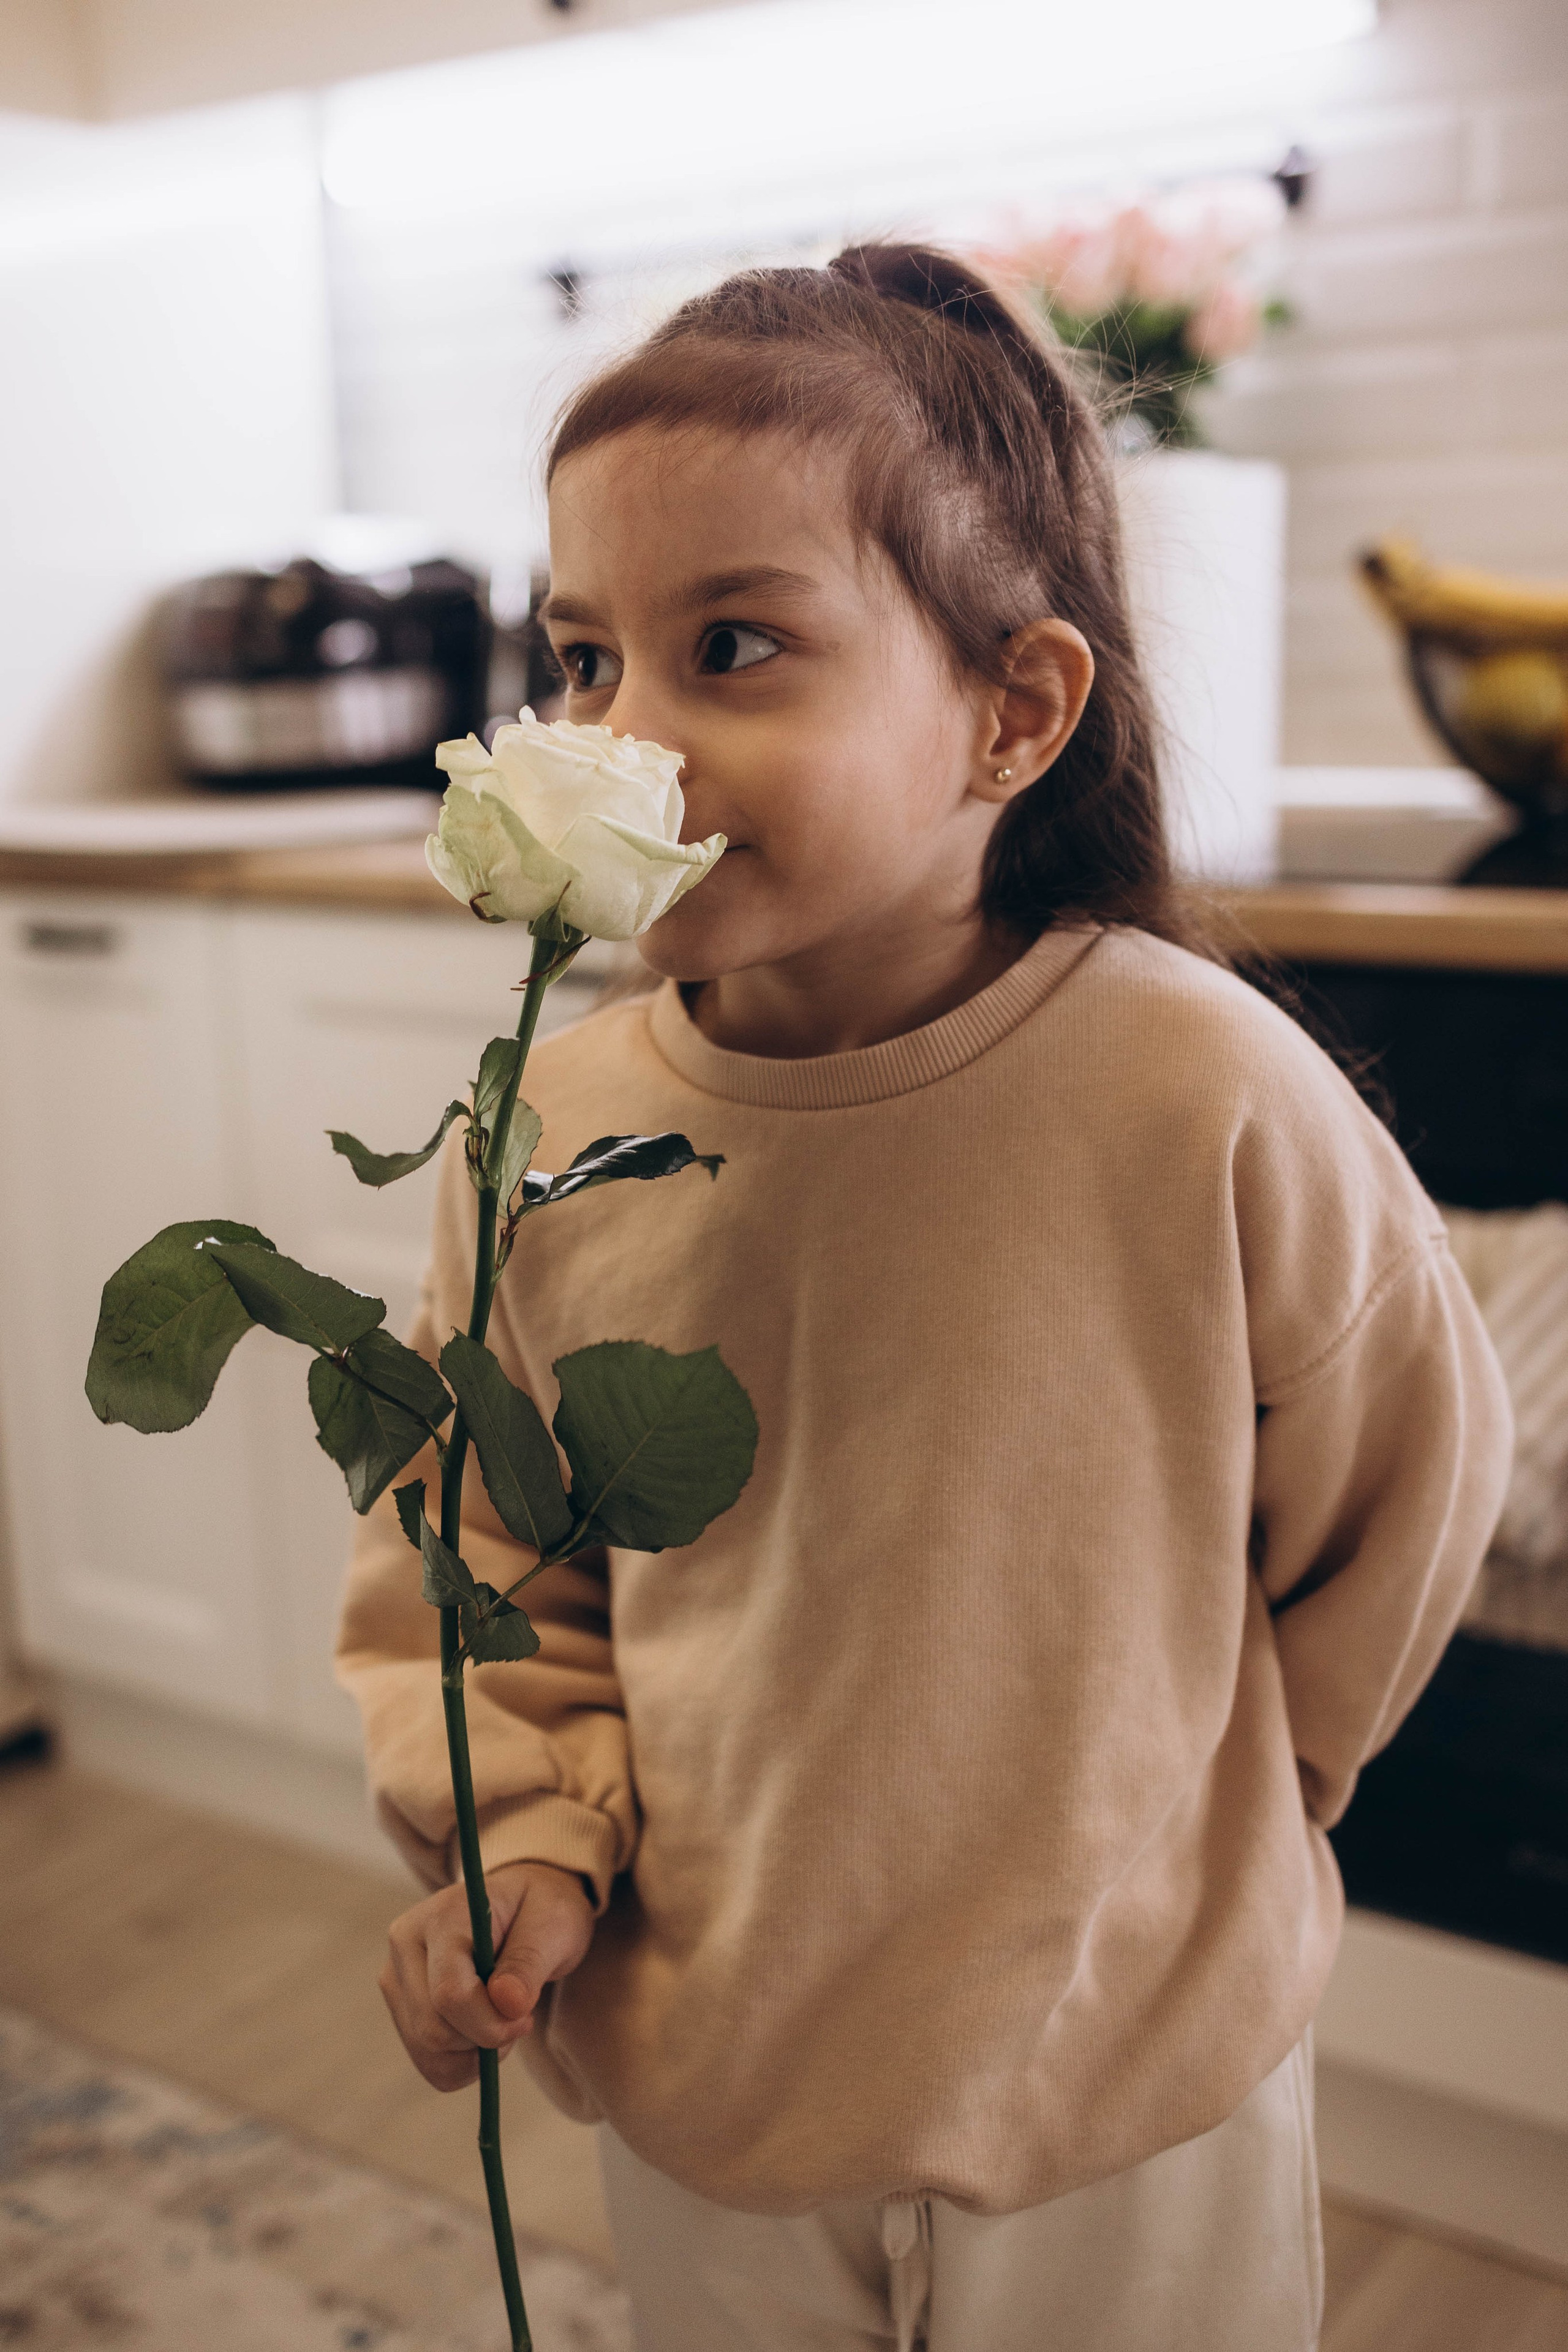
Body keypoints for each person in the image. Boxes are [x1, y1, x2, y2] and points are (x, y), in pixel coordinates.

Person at [338, 244, 1512, 2351]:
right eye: (585, 656)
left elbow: (1405, 1483)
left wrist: (1238, 1805)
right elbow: (477, 1552)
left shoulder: (1199, 1092)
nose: (627, 734)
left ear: (1015, 713)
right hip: (707, 2060)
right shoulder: (546, 1127)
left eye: (733, 647)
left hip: (1134, 2078)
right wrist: (524, 1837)